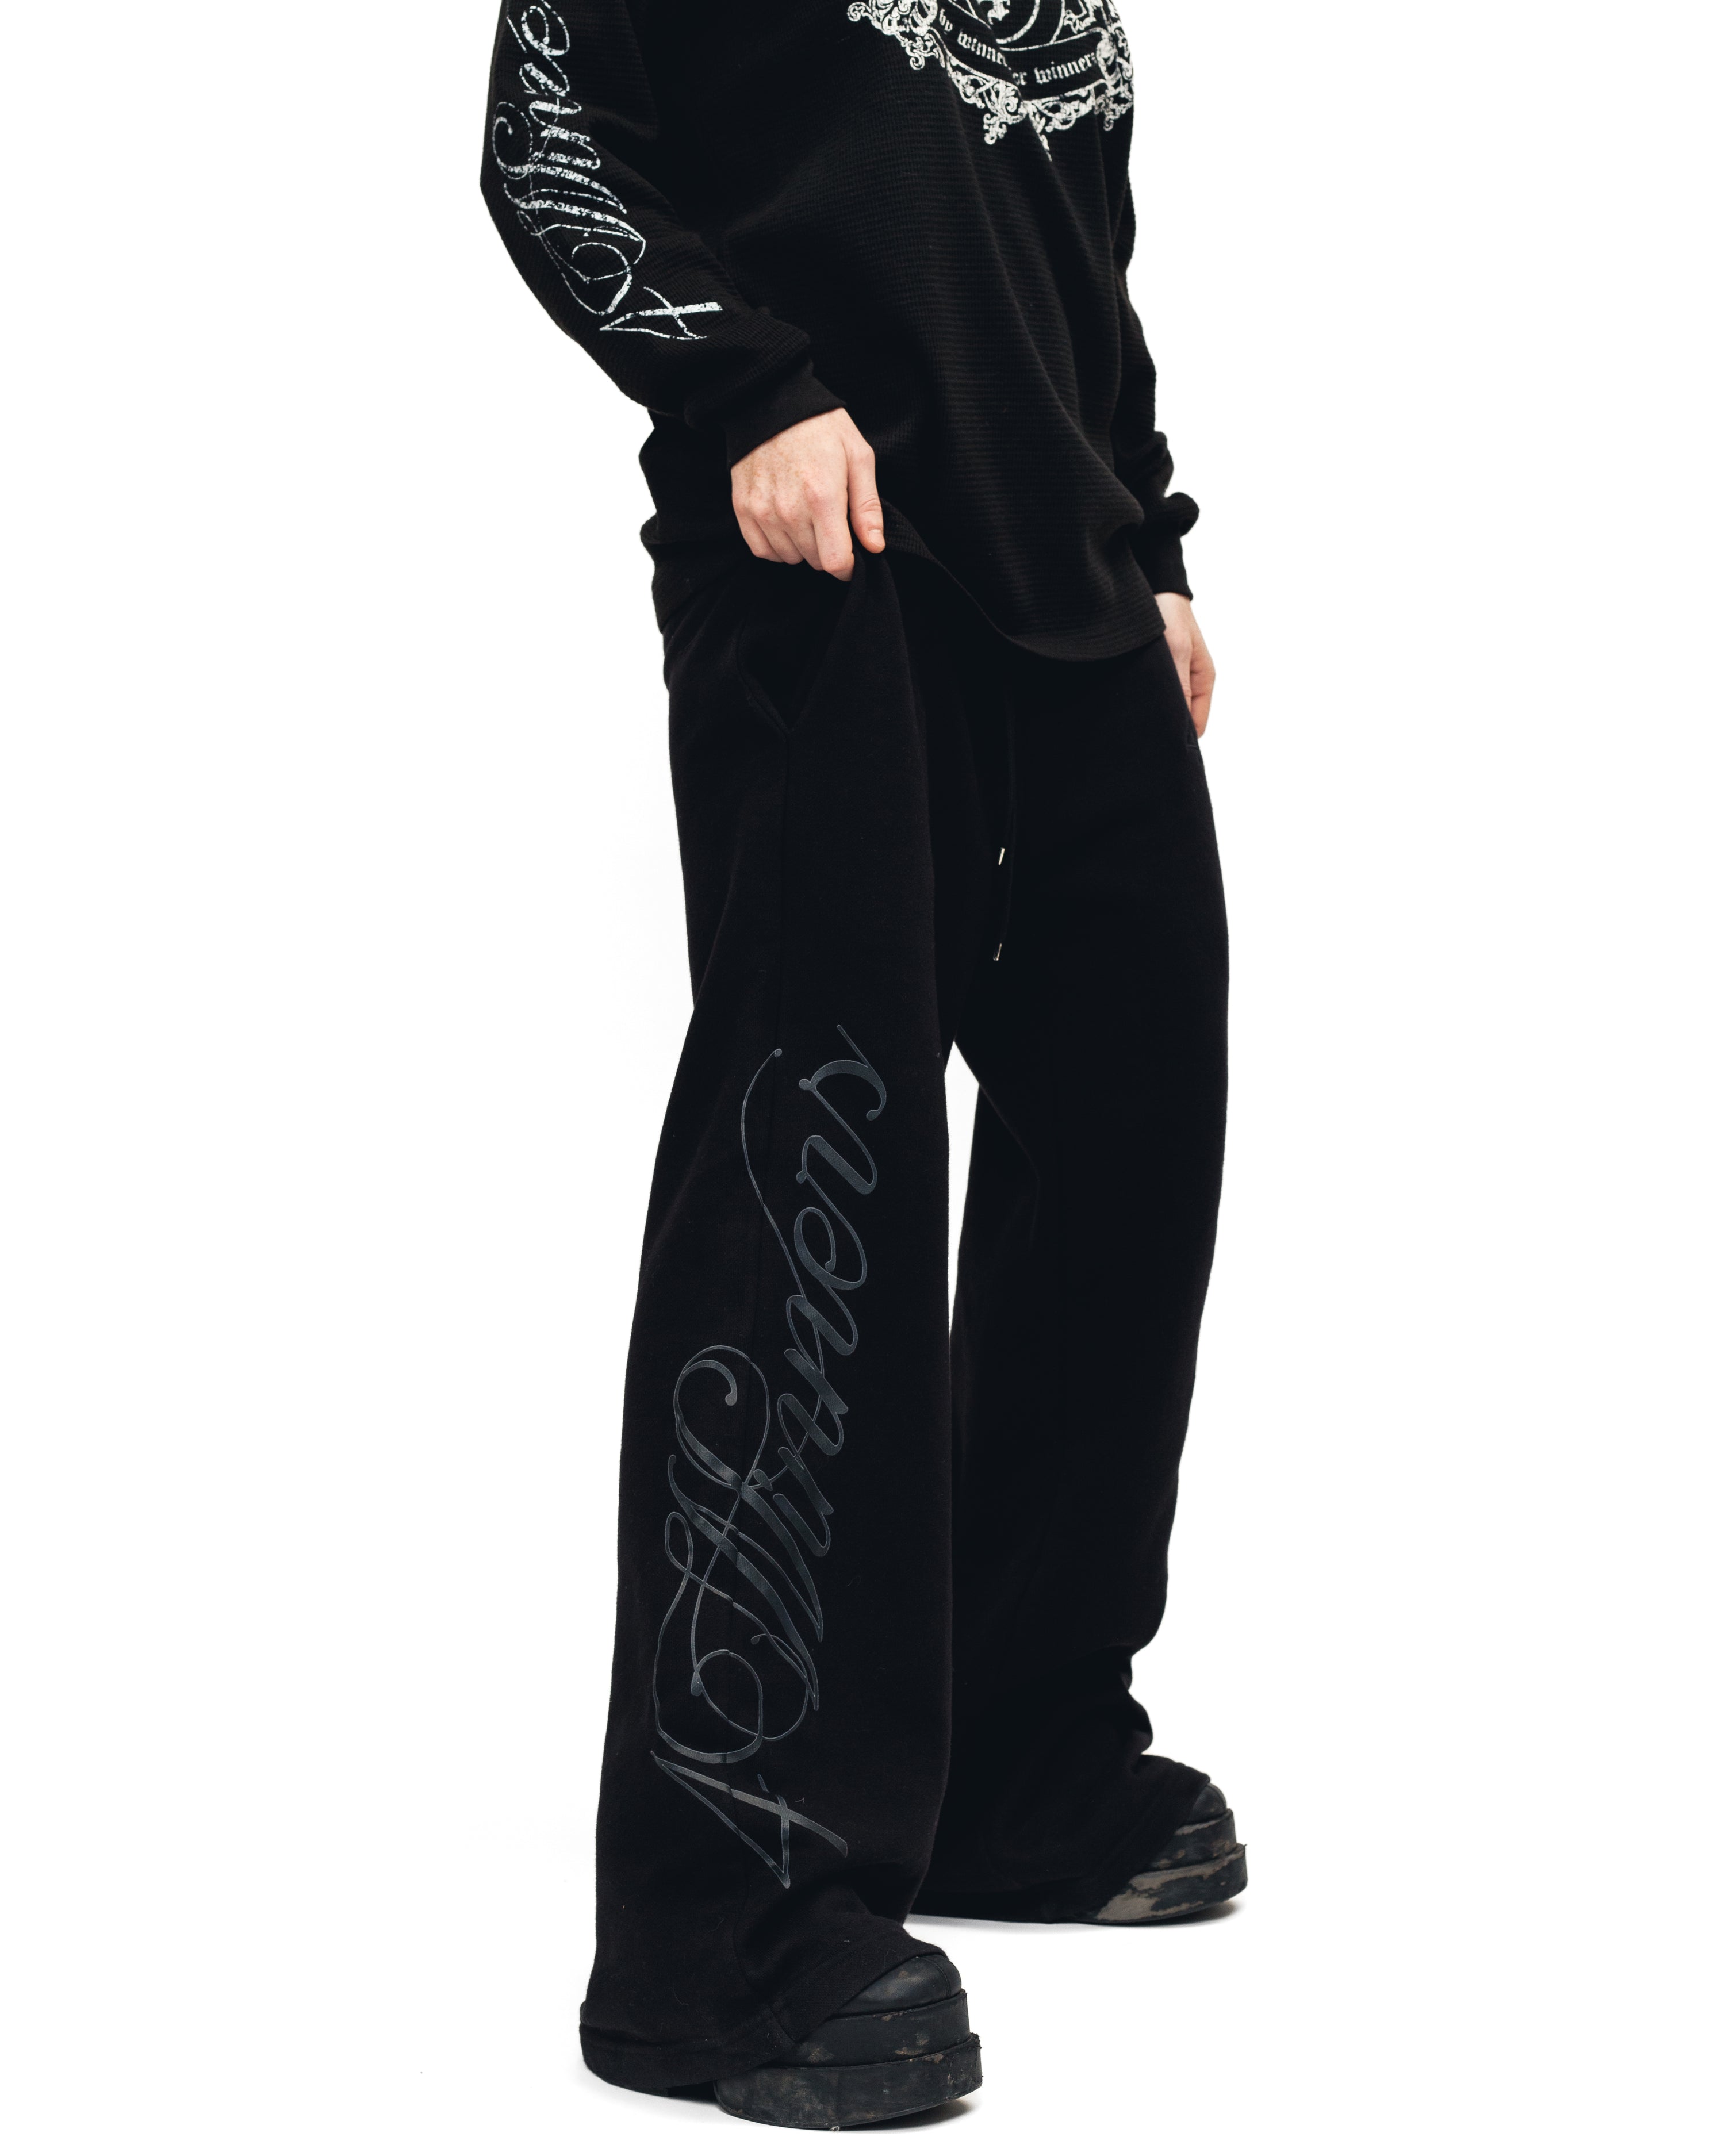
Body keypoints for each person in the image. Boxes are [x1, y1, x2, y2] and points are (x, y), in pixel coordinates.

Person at [481, 0, 1241, 2127]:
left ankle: (1018, 1759)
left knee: (1134, 1142)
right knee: (820, 1190)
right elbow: (547, 133)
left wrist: (1150, 532)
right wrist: (747, 386)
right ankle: (727, 1923)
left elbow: (1071, 233)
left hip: (1069, 583)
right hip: (832, 571)